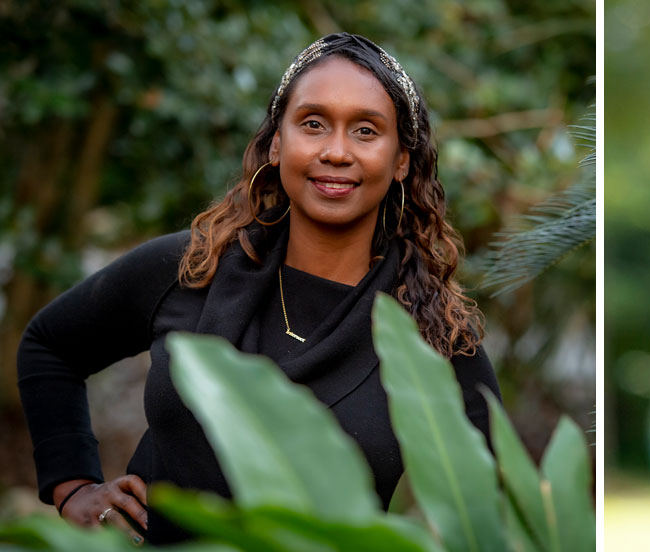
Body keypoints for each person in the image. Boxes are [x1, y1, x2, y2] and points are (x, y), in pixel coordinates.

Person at [18, 32, 500, 545]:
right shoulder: (192, 267)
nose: (336, 152)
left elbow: (493, 502)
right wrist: (73, 487)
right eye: (313, 124)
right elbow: (50, 347)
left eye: (365, 130)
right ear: (277, 142)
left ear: (401, 158)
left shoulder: (428, 333)